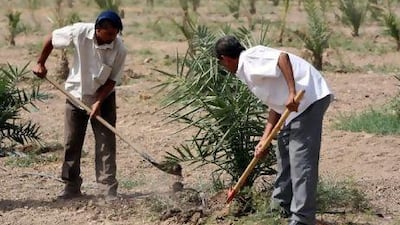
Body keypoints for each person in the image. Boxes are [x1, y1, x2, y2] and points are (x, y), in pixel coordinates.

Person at [215, 35, 333, 225]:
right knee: (284, 154)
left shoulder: (250, 59)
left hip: (308, 99)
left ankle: (302, 219)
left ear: (225, 59)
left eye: (220, 64)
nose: (223, 67)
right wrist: (265, 138)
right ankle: (279, 209)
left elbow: (282, 58)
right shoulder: (247, 71)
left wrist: (293, 93)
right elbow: (276, 103)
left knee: (301, 161)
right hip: (293, 109)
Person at [32, 10, 127, 200]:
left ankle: (107, 188)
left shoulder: (119, 48)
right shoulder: (80, 32)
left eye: (115, 34)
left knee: (106, 143)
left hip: (104, 98)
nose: (112, 38)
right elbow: (52, 38)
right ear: (97, 29)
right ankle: (71, 186)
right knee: (72, 142)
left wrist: (98, 102)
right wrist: (41, 63)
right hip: (75, 96)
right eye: (109, 34)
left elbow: (112, 80)